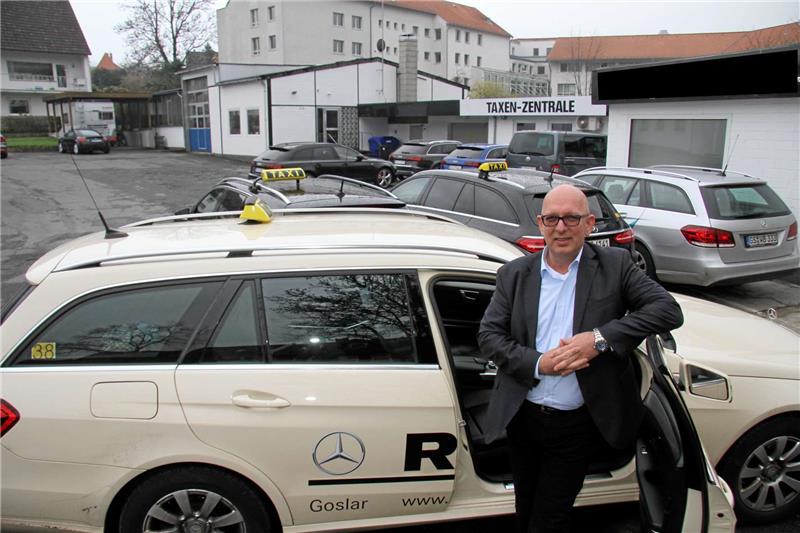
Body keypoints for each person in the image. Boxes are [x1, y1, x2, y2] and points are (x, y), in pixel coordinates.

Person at [478, 184, 683, 533]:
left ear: (589, 223)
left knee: (551, 516)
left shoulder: (615, 266)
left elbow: (667, 311)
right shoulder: (514, 275)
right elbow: (489, 337)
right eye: (552, 219)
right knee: (525, 505)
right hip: (523, 415)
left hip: (576, 421)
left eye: (572, 218)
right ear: (540, 224)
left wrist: (599, 339)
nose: (561, 228)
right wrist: (539, 363)